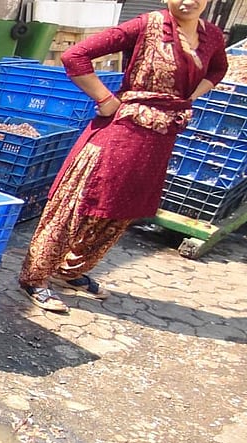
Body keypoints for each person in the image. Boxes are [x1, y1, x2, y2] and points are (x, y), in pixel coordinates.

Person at [18, 0, 227, 313]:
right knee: (79, 205)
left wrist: (190, 97)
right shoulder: (146, 25)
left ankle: (70, 271)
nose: (189, 0)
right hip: (121, 133)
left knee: (120, 211)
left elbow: (218, 68)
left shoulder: (211, 36)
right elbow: (75, 55)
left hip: (160, 139)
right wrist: (105, 98)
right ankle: (34, 278)